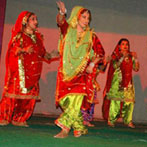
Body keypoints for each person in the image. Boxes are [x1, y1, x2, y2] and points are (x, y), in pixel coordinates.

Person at [54, 1, 105, 138]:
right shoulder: (68, 30)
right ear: (76, 16)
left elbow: (100, 54)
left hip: (82, 73)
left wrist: (92, 64)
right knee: (65, 101)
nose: (86, 20)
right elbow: (60, 22)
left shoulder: (92, 36)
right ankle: (79, 127)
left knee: (76, 100)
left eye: (88, 18)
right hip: (66, 73)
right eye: (83, 17)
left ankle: (65, 129)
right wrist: (62, 12)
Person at [0, 11, 56, 127]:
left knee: (28, 100)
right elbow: (13, 51)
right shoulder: (19, 36)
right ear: (25, 21)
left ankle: (19, 119)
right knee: (12, 97)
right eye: (33, 19)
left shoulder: (38, 38)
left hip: (34, 73)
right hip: (20, 72)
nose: (36, 22)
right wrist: (24, 50)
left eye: (36, 19)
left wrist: (51, 55)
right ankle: (3, 117)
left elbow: (42, 53)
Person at [103, 38, 139, 128]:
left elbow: (136, 68)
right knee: (115, 102)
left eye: (127, 44)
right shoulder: (116, 55)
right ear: (119, 46)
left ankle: (128, 121)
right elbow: (115, 66)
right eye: (123, 44)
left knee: (129, 103)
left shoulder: (131, 56)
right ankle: (111, 120)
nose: (125, 46)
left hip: (128, 83)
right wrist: (122, 57)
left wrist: (136, 58)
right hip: (117, 82)